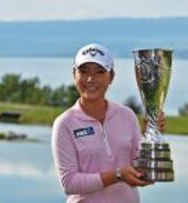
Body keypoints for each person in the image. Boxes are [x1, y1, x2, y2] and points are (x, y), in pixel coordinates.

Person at [51, 43, 165, 203]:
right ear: (74, 75)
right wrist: (117, 175)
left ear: (111, 76)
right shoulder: (64, 124)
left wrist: (152, 135)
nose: (90, 79)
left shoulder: (126, 115)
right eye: (83, 72)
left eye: (99, 72)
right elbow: (69, 183)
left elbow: (143, 172)